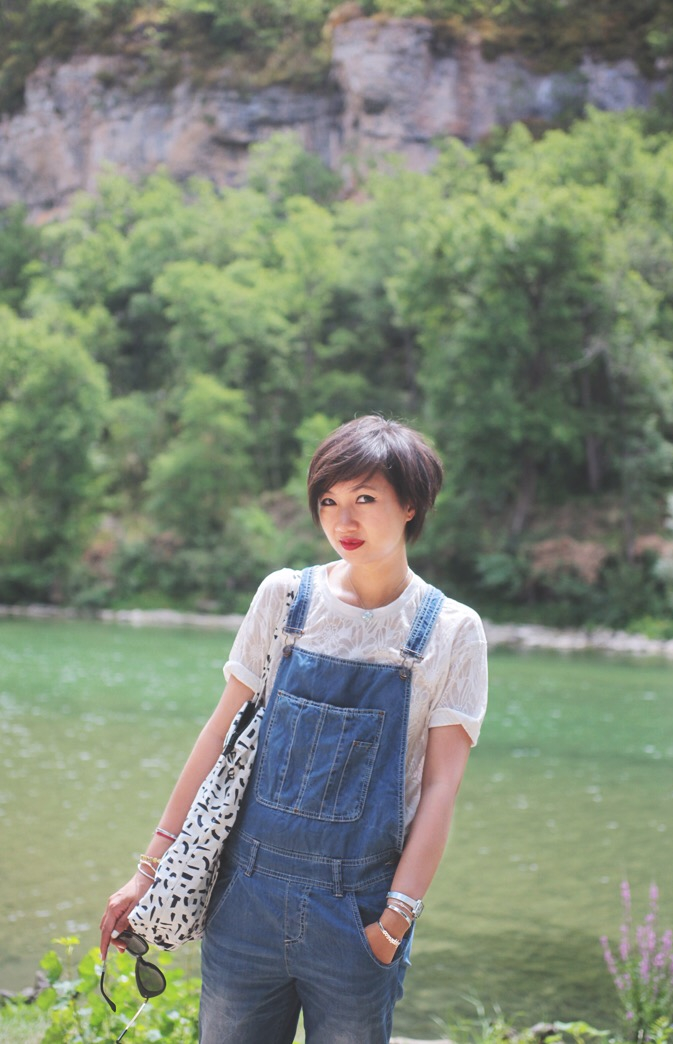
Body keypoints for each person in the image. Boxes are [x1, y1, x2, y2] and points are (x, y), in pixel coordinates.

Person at [100, 414, 488, 1044]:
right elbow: (218, 737)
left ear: (410, 505)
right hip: (244, 901)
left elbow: (442, 788)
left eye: (365, 499)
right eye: (329, 501)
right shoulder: (286, 599)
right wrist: (149, 868)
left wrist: (392, 923)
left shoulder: (451, 631)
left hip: (357, 915)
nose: (343, 520)